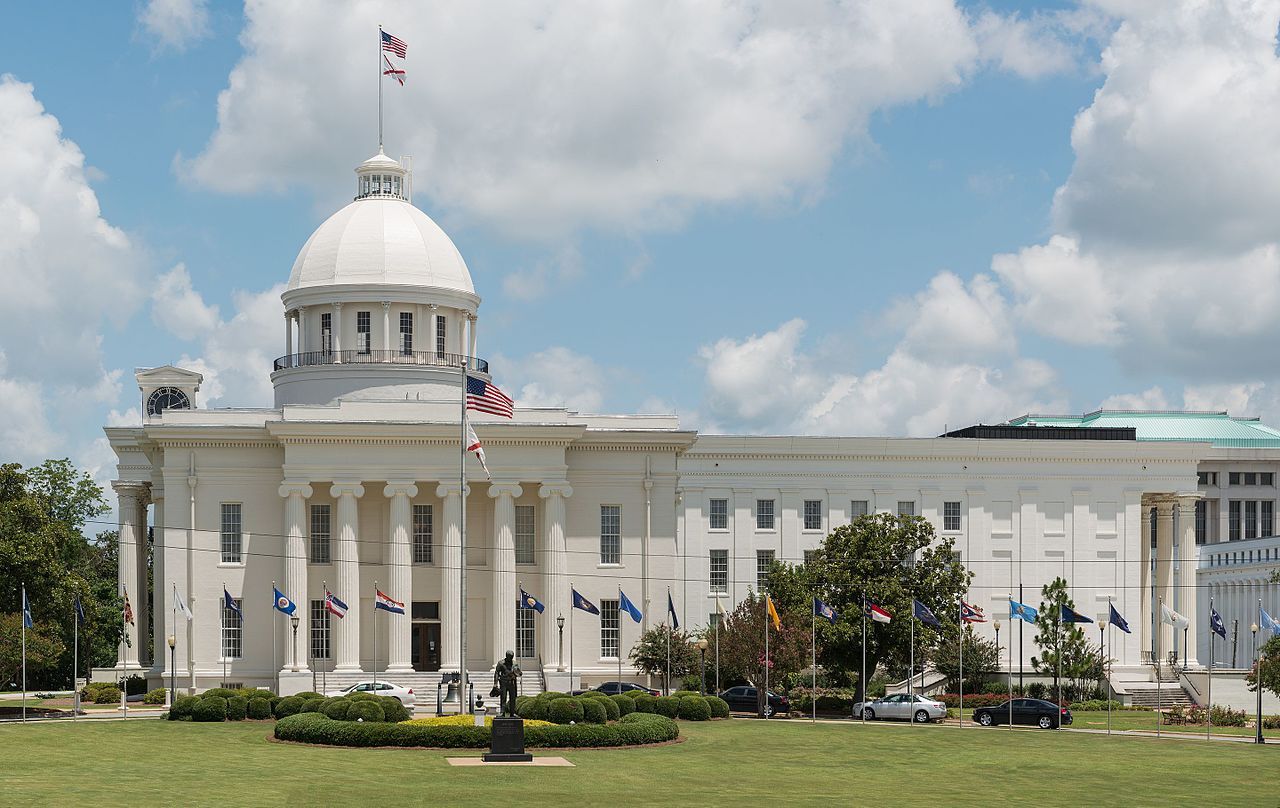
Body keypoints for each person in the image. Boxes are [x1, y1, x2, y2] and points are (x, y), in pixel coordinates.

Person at [491, 650, 522, 717]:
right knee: (503, 698)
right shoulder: (501, 663)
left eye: (512, 657)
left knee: (513, 698)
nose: (510, 658)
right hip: (503, 682)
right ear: (506, 656)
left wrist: (516, 673)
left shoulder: (514, 663)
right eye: (509, 657)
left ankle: (512, 713)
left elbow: (519, 673)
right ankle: (502, 712)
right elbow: (496, 673)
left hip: (512, 683)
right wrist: (495, 683)